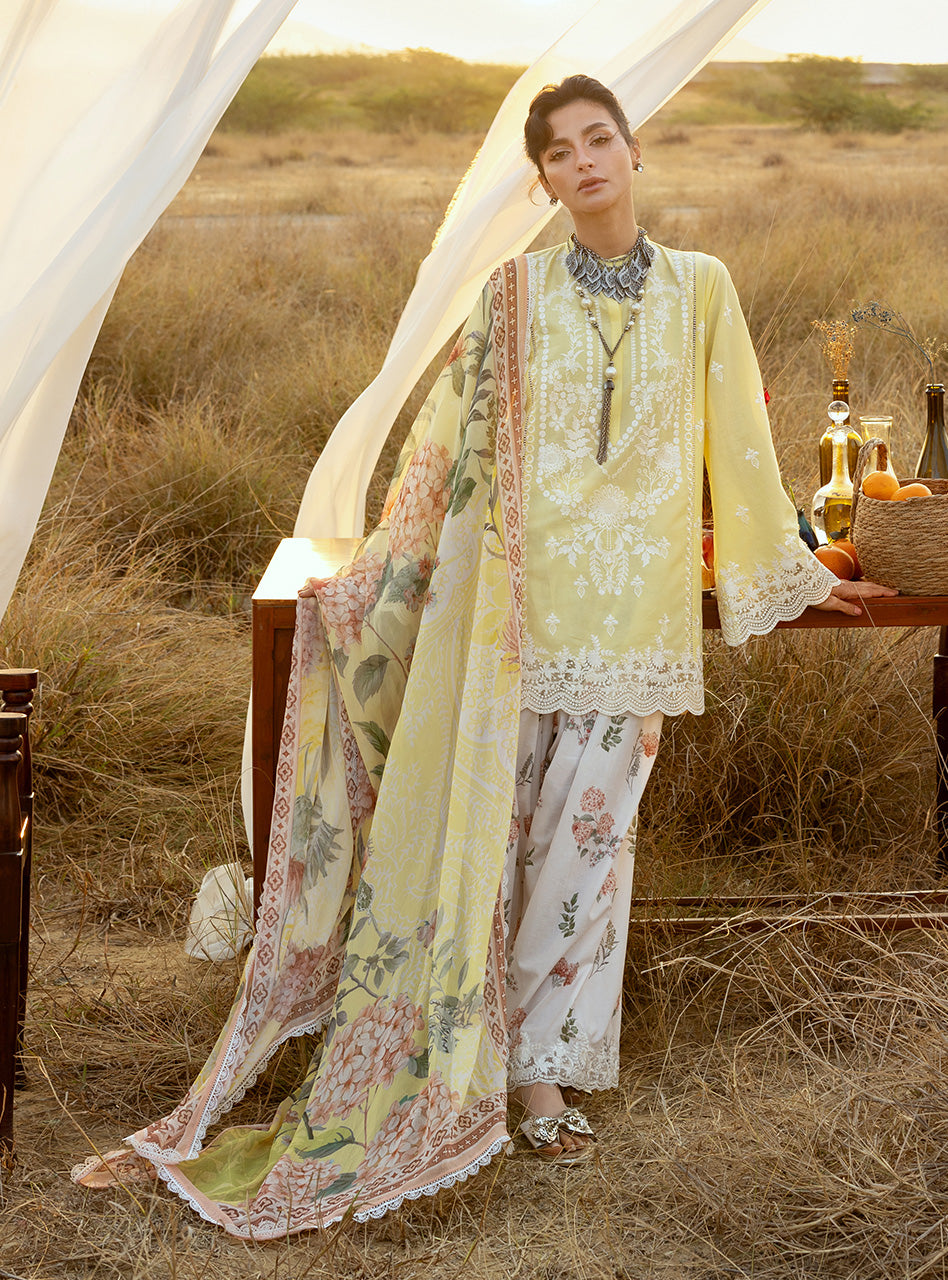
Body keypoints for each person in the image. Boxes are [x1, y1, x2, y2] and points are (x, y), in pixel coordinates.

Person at [73, 75, 896, 1234]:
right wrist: (380, 574)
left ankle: (542, 1080)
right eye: (560, 151)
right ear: (544, 181)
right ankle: (468, 1056)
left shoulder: (704, 287)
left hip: (633, 620)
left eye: (600, 138)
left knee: (588, 848)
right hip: (511, 614)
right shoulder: (512, 295)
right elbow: (445, 448)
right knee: (491, 841)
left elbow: (742, 451)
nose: (585, 161)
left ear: (636, 152)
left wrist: (800, 568)